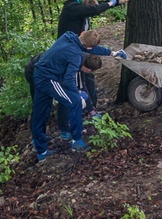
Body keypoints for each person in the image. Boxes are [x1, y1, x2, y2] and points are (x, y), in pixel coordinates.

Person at [30, 30, 125, 162]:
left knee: (41, 113)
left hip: (39, 73)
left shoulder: (68, 36)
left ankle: (42, 152)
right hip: (49, 79)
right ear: (89, 48)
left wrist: (112, 53)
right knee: (75, 102)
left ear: (82, 33)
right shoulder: (75, 55)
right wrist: (77, 94)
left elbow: (90, 47)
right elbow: (69, 80)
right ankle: (76, 141)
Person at [57, 0, 130, 108]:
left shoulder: (81, 5)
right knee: (79, 79)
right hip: (69, 52)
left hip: (79, 48)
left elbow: (98, 5)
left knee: (88, 74)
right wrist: (110, 4)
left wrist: (120, 1)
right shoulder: (72, 9)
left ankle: (91, 105)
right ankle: (81, 107)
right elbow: (95, 9)